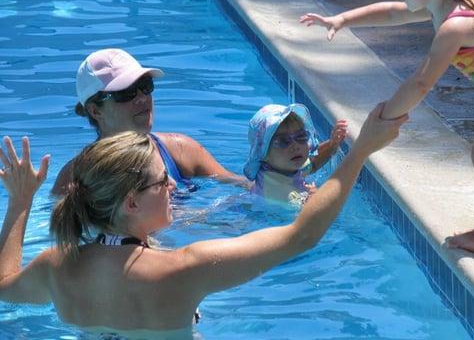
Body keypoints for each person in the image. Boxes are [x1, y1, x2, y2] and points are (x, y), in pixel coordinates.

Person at [0, 103, 406, 337]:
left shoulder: (56, 265)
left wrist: (19, 203)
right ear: (130, 203)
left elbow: (3, 287)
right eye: (162, 182)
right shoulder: (183, 268)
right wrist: (360, 151)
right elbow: (302, 235)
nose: (173, 188)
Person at [300, 0, 474, 256]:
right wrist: (342, 19)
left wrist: (386, 117)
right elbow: (392, 14)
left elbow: (422, 82)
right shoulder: (447, 5)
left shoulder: (455, 25)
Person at [51, 48, 246, 197]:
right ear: (95, 111)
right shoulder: (75, 179)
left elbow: (243, 189)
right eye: (125, 93)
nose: (142, 98)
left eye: (145, 86)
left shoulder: (179, 150)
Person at [244, 103, 347, 205]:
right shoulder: (282, 191)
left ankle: (234, 179)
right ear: (263, 153)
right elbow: (308, 218)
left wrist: (331, 145)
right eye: (282, 141)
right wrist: (316, 198)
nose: (295, 145)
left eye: (300, 136)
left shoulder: (283, 166)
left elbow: (313, 163)